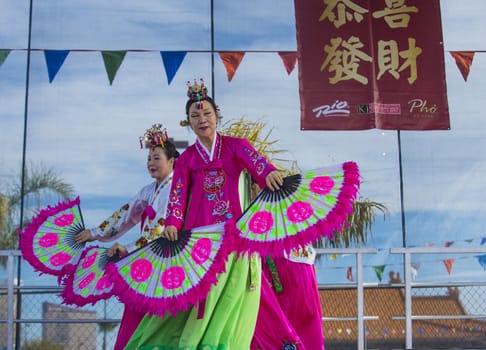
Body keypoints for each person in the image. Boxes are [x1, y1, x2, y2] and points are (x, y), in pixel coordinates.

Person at [125, 79, 292, 349]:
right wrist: (172, 223)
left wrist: (269, 172)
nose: (202, 119)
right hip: (199, 242)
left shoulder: (236, 146)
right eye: (195, 115)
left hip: (233, 239)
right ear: (188, 123)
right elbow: (177, 195)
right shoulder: (188, 159)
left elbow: (258, 164)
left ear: (217, 116)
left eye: (207, 113)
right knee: (196, 304)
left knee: (231, 301)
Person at [74, 124, 180, 350]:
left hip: (166, 256)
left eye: (157, 157)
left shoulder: (174, 189)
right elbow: (125, 214)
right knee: (136, 314)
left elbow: (159, 228)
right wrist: (94, 233)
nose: (151, 163)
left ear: (171, 161)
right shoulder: (148, 190)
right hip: (147, 254)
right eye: (149, 158)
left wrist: (128, 249)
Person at [249, 180, 325, 350]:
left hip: (286, 276)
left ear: (255, 187)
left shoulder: (263, 217)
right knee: (306, 329)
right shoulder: (292, 215)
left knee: (277, 329)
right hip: (299, 275)